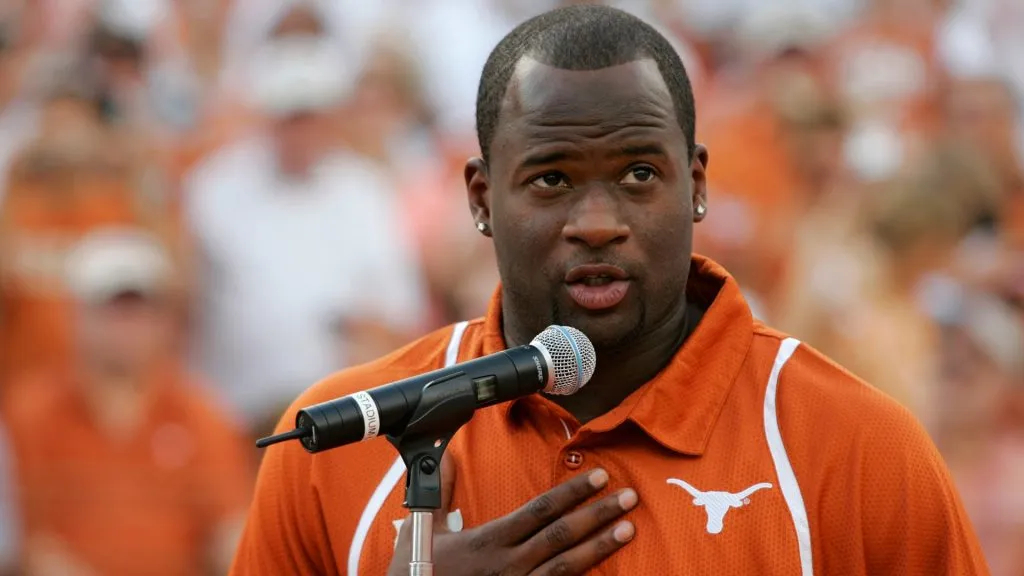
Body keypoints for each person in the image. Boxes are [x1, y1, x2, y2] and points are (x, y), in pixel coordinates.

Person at [231, 5, 987, 575]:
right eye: (551, 178)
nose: (597, 223)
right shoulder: (330, 448)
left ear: (696, 184)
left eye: (638, 174)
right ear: (480, 199)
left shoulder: (859, 450)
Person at [5, 227, 253, 576]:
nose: (128, 327)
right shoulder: (31, 413)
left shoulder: (202, 414)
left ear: (165, 321)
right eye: (113, 311)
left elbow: (229, 528)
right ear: (77, 316)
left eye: (141, 311)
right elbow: (27, 541)